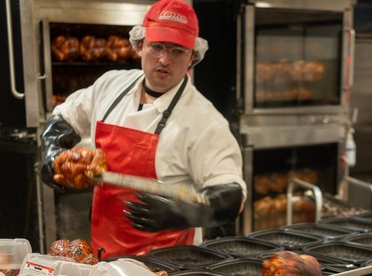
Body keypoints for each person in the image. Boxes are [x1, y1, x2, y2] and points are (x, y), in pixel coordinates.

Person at [40, 0, 246, 258]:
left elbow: (231, 195)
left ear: (192, 56)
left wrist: (180, 212)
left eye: (177, 50)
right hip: (105, 254)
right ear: (140, 45)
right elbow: (64, 118)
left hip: (170, 265)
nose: (164, 59)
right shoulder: (110, 86)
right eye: (157, 46)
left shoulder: (204, 121)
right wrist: (52, 156)